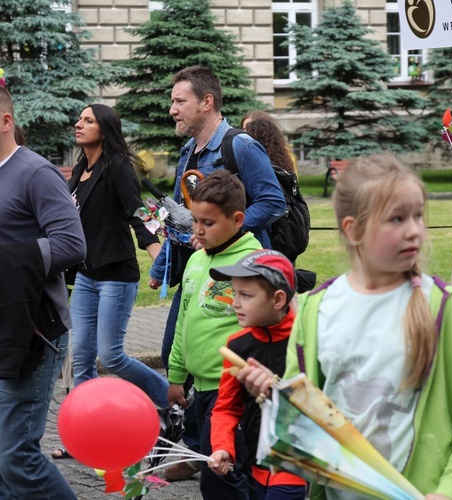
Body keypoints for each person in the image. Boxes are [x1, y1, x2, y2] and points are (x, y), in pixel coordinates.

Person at [237, 154, 452, 499]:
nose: (414, 230)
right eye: (397, 219)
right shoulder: (317, 310)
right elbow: (307, 423)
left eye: (418, 215)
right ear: (353, 229)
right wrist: (276, 396)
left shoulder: (446, 308)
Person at [151, 67, 286, 480]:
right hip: (196, 267)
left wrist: (225, 231)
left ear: (206, 102)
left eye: (179, 101)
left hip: (239, 273)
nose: (172, 109)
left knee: (226, 360)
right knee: (178, 344)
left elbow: (273, 200)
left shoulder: (239, 146)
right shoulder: (188, 152)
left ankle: (231, 454)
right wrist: (161, 264)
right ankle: (196, 448)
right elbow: (178, 219)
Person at [0, 81, 84, 498]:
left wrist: (0, 263)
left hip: (30, 331)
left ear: (6, 121)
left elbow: (72, 245)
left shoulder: (35, 172)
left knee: (15, 457)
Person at [56, 105, 165, 459]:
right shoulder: (80, 171)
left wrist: (158, 260)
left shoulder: (117, 166)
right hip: (86, 277)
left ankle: (174, 401)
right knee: (82, 358)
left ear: (104, 129)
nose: (78, 124)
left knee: (111, 356)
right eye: (79, 118)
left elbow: (138, 213)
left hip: (116, 275)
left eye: (87, 120)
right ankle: (84, 435)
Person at [167, 170, 260, 499]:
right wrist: (177, 374)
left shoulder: (253, 264)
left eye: (208, 223)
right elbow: (184, 321)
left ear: (237, 220)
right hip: (201, 388)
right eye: (195, 221)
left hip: (234, 392)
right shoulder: (195, 260)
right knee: (219, 473)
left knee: (222, 476)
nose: (198, 231)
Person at [208, 249, 306, 499]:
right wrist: (222, 447)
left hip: (298, 469)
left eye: (246, 295)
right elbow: (226, 408)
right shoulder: (237, 346)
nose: (235, 303)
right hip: (256, 468)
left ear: (278, 299)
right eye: (234, 293)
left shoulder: (308, 338)